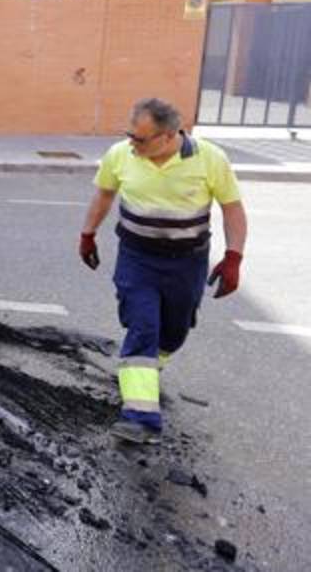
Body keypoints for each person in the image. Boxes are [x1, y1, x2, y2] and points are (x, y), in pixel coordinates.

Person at [79, 98, 247, 445]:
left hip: (187, 261)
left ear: (169, 136)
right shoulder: (120, 155)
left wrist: (233, 257)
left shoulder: (209, 158)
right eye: (130, 135)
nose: (132, 144)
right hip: (137, 257)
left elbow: (232, 209)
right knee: (143, 325)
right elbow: (103, 196)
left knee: (175, 330)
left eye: (141, 139)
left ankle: (145, 370)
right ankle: (140, 416)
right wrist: (87, 235)